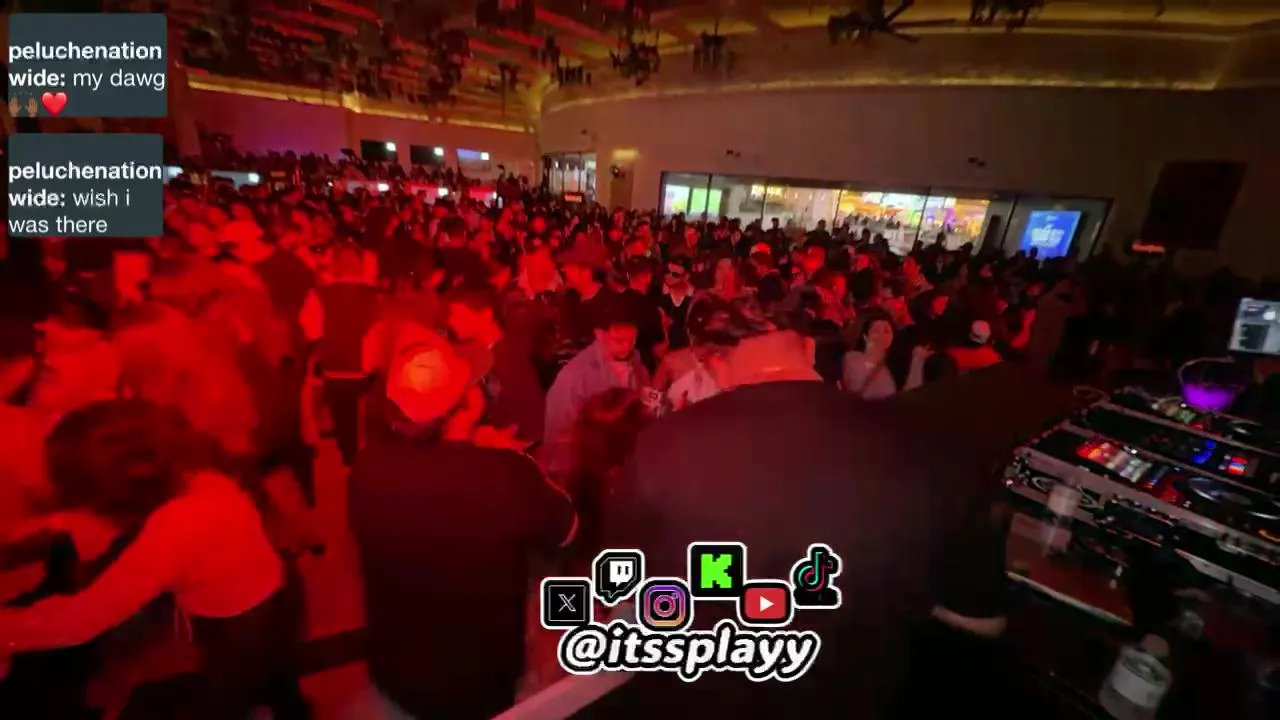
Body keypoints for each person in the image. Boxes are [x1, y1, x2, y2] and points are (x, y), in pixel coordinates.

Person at [601, 312, 1009, 718]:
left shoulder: (662, 444)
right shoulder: (933, 448)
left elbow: (623, 595)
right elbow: (978, 620)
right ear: (810, 351)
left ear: (716, 366)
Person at [0, 399, 309, 720]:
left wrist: (6, 630)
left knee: (226, 699)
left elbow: (80, 620)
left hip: (240, 624)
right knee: (275, 674)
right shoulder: (191, 467)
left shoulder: (173, 531)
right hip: (275, 586)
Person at [349, 328, 576, 720]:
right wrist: (509, 457)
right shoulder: (505, 474)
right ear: (466, 404)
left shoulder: (365, 469)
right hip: (481, 683)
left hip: (395, 672)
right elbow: (569, 527)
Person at [543, 293, 651, 478]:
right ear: (599, 334)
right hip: (583, 471)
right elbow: (558, 435)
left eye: (632, 340)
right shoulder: (575, 376)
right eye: (619, 341)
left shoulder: (637, 364)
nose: (627, 347)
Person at [843, 310, 926, 399]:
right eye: (875, 331)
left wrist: (917, 360)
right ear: (865, 336)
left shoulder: (897, 361)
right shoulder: (853, 360)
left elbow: (909, 396)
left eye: (887, 331)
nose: (882, 335)